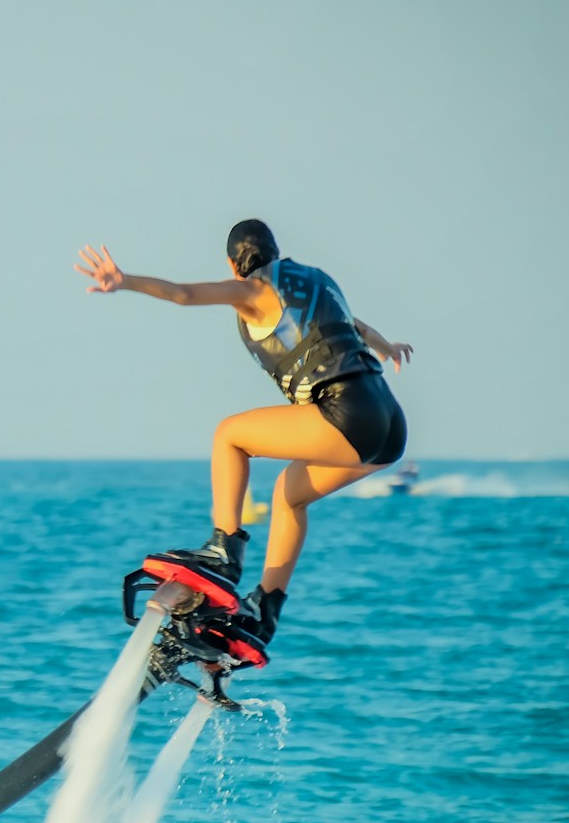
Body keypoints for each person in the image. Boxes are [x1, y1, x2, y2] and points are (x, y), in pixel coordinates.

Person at [74, 220, 412, 643]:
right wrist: (388, 347)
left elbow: (185, 294)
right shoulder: (315, 280)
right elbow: (355, 325)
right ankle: (263, 611)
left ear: (234, 264)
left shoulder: (253, 290)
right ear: (275, 251)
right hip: (389, 425)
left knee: (229, 435)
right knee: (290, 495)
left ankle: (224, 551)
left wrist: (125, 281)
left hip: (346, 413)